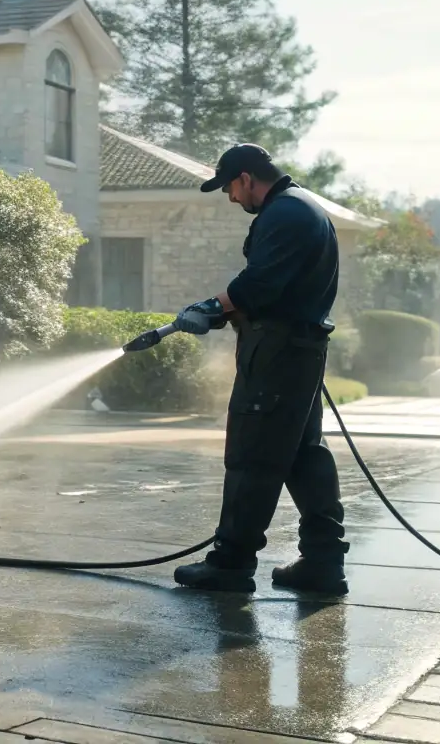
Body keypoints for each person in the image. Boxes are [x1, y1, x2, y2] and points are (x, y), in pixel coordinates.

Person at [165, 143, 350, 595]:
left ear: (246, 178)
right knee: (304, 455)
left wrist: (213, 305)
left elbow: (258, 285)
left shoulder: (284, 213)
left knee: (252, 456)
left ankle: (230, 565)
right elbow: (275, 289)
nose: (230, 197)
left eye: (229, 187)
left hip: (277, 354)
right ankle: (323, 563)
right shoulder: (305, 207)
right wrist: (223, 314)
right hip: (299, 352)